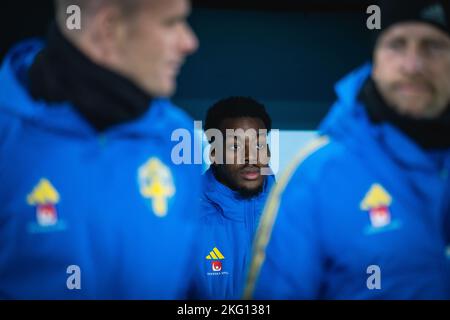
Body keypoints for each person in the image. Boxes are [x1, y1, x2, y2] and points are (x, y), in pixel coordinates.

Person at [245, 0, 450, 299]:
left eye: (433, 46)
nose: (413, 65)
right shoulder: (316, 175)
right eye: (396, 45)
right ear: (374, 60)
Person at [0, 0, 200, 299]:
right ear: (109, 29)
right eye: (171, 23)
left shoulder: (179, 137)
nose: (190, 43)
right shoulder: (7, 135)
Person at [190, 97, 275, 299]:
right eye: (235, 147)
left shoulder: (293, 216)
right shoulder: (185, 220)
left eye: (259, 145)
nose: (251, 156)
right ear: (213, 154)